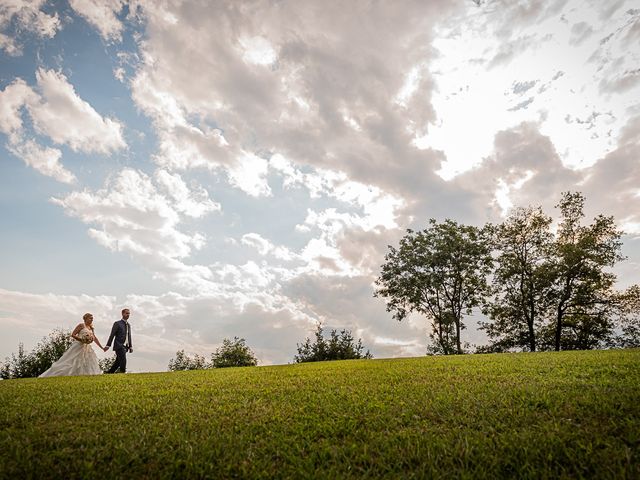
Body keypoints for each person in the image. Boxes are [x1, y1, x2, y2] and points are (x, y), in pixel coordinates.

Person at [39, 313, 107, 377]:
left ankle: (84, 374)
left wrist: (102, 347)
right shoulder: (81, 325)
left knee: (87, 361)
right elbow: (73, 334)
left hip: (87, 347)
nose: (92, 320)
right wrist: (81, 339)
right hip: (78, 346)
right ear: (85, 319)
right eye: (90, 318)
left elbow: (95, 338)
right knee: (71, 360)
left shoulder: (91, 328)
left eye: (92, 319)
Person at [105, 308, 133, 373]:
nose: (128, 315)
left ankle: (109, 372)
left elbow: (129, 336)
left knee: (118, 362)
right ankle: (123, 373)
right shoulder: (117, 323)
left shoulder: (128, 325)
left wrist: (130, 346)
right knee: (123, 360)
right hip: (119, 345)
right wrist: (108, 345)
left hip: (126, 346)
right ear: (122, 314)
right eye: (126, 313)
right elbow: (112, 334)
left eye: (129, 313)